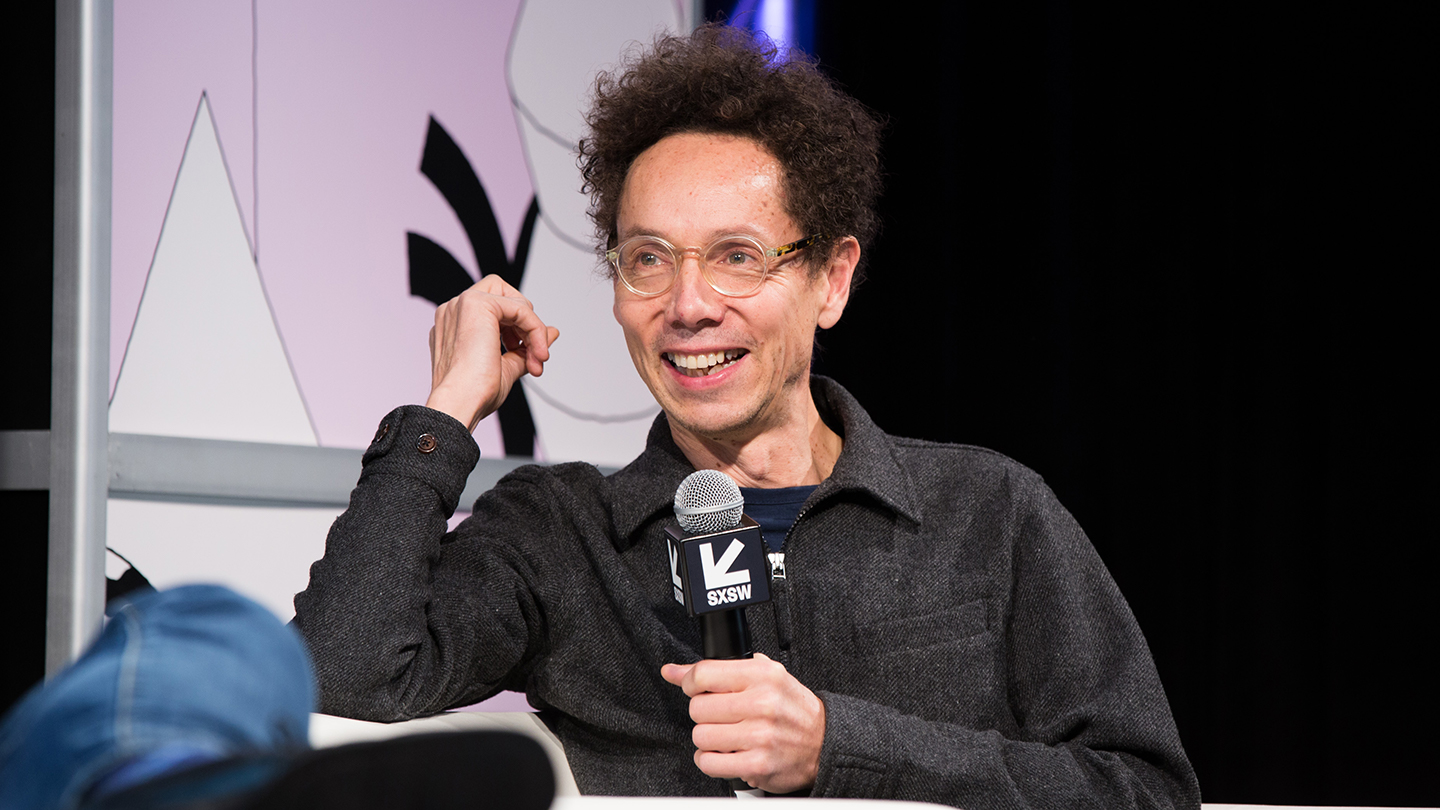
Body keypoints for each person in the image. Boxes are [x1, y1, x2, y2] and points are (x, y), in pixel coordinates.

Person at [294, 24, 1201, 808]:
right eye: (648, 259)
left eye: (737, 255)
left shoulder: (988, 513)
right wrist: (446, 411)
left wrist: (843, 748)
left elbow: (1146, 790)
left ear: (831, 280)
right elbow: (341, 680)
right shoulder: (559, 535)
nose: (688, 305)